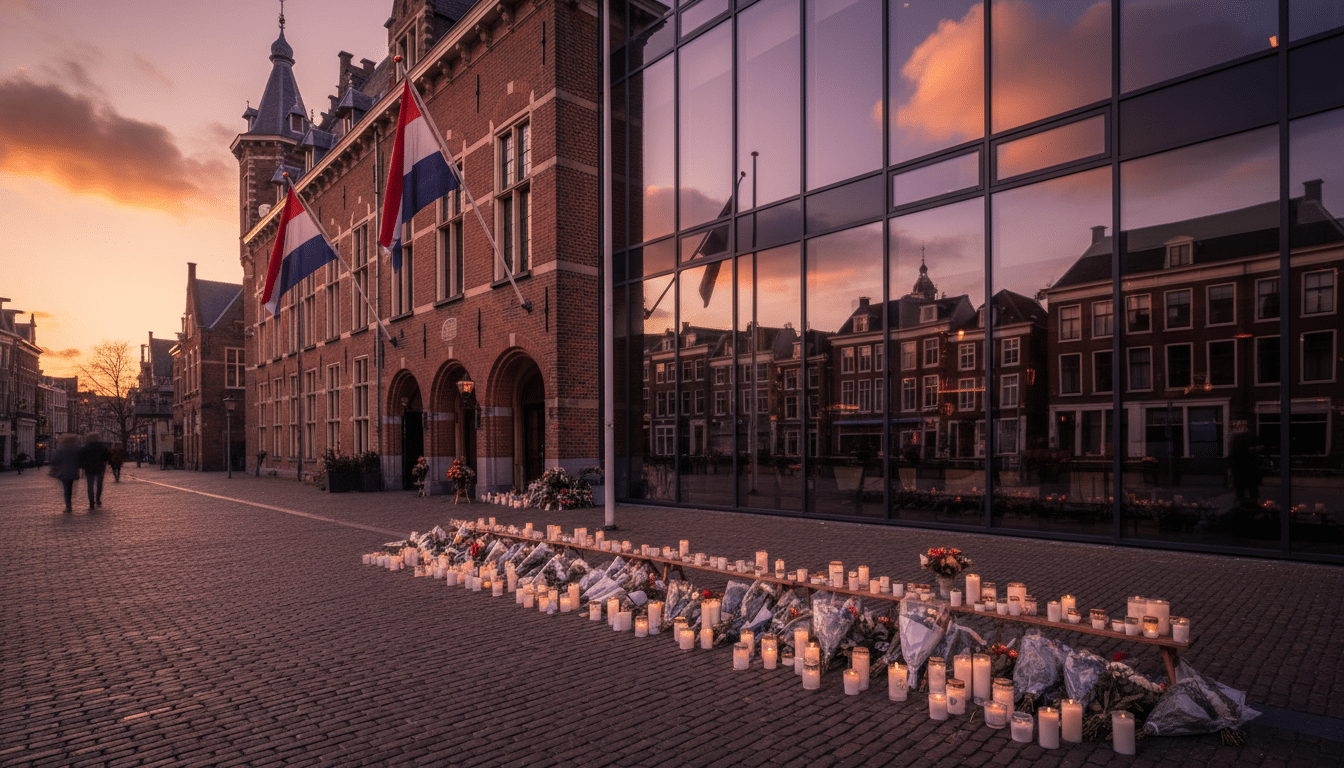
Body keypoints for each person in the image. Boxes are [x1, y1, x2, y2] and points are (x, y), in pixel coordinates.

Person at [78, 433, 111, 509]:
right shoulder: (102, 447)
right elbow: (107, 457)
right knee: (99, 484)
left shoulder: (85, 447)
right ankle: (98, 499)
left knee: (90, 485)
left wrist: (83, 466)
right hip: (100, 468)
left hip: (89, 468)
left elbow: (80, 458)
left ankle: (91, 502)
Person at [50, 435, 81, 513]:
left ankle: (68, 505)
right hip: (73, 471)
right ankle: (69, 503)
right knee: (70, 487)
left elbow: (54, 460)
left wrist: (54, 469)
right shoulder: (76, 449)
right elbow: (80, 459)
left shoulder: (61, 449)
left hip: (63, 472)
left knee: (66, 488)